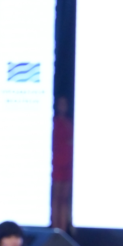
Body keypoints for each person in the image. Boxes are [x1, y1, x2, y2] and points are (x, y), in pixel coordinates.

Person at [51, 95, 74, 231]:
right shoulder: (53, 122)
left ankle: (63, 230)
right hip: (57, 163)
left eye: (64, 104)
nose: (62, 106)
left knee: (65, 199)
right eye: (60, 104)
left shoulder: (70, 123)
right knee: (56, 198)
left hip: (68, 164)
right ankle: (55, 229)